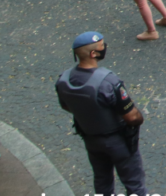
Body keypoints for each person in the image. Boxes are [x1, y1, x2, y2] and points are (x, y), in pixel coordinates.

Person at [55, 31, 147, 195]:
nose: (104, 48)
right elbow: (132, 117)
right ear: (93, 53)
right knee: (134, 184)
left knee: (102, 180)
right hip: (118, 140)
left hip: (90, 139)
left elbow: (66, 106)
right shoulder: (108, 81)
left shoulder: (63, 79)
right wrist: (140, 119)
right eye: (102, 46)